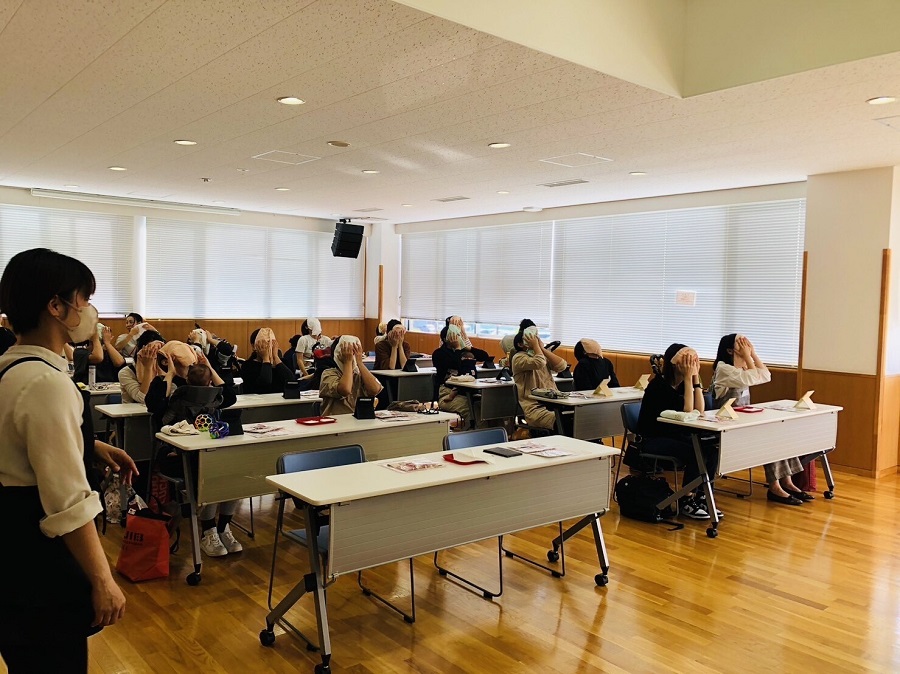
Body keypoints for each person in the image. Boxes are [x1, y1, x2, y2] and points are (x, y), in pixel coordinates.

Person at [0, 248, 137, 672]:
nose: (91, 311)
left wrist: (88, 445)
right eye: (85, 299)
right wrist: (102, 579)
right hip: (39, 560)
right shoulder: (45, 382)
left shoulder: (12, 368)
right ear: (56, 307)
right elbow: (67, 500)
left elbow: (16, 439)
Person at [145, 348, 241, 557]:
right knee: (212, 471)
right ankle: (208, 531)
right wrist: (169, 375)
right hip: (175, 454)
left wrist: (209, 368)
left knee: (233, 470)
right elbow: (154, 406)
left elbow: (230, 397)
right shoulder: (164, 385)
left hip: (206, 451)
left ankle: (223, 527)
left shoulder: (208, 390)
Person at [712, 333, 812, 505]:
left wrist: (753, 354)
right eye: (741, 343)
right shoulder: (723, 369)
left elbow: (766, 375)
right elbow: (754, 378)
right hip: (727, 427)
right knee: (768, 438)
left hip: (744, 422)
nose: (746, 345)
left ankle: (787, 482)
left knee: (780, 433)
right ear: (729, 350)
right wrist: (748, 356)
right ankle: (774, 487)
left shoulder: (744, 368)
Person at [636, 343, 721, 520]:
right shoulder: (658, 386)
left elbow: (700, 411)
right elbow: (688, 411)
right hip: (654, 438)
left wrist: (695, 379)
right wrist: (689, 379)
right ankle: (686, 499)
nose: (692, 365)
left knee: (711, 448)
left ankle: (704, 496)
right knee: (695, 452)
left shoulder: (683, 385)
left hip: (677, 435)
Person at [510, 325, 567, 430]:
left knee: (576, 417)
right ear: (520, 344)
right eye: (529, 339)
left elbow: (562, 366)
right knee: (564, 421)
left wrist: (542, 349)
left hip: (555, 403)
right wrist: (537, 347)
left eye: (536, 338)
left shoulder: (540, 355)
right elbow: (539, 363)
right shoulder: (518, 358)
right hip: (535, 409)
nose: (534, 341)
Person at [319, 335, 383, 416]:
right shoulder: (328, 374)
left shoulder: (360, 375)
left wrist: (360, 363)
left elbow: (375, 389)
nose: (351, 356)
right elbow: (345, 390)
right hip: (336, 420)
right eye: (347, 352)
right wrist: (348, 362)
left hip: (358, 420)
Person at [432, 324, 477, 429]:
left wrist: (465, 346)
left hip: (464, 392)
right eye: (455, 335)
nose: (458, 338)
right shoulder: (439, 354)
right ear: (446, 339)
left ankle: (489, 432)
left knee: (483, 406)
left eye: (458, 335)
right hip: (446, 393)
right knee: (469, 408)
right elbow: (457, 365)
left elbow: (485, 356)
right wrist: (457, 349)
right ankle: (471, 432)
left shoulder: (462, 351)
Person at [240, 327, 294, 394]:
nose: (268, 347)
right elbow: (265, 382)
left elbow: (291, 381)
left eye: (270, 343)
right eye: (263, 344)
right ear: (254, 346)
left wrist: (276, 357)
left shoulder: (282, 363)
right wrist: (266, 359)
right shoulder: (248, 365)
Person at [118, 330, 165, 404]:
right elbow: (142, 398)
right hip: (134, 410)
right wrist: (148, 368)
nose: (153, 356)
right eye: (149, 352)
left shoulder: (164, 369)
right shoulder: (126, 372)